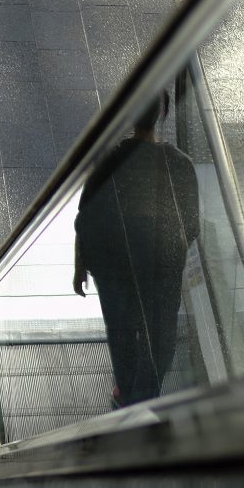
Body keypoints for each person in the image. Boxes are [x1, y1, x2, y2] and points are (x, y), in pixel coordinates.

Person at [72, 92, 199, 408]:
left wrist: (80, 265)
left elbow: (86, 217)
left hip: (113, 266)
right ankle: (145, 398)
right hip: (160, 268)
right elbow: (191, 224)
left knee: (121, 330)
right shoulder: (180, 164)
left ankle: (126, 395)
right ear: (163, 114)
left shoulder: (109, 161)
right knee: (159, 337)